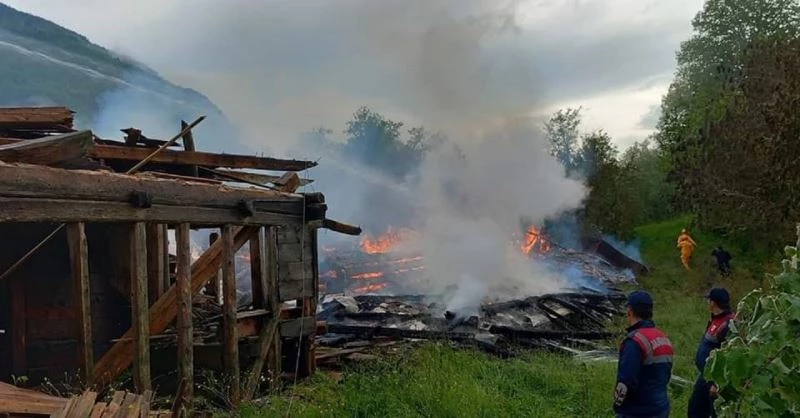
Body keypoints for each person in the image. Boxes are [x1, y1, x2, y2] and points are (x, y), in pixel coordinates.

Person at [614, 291, 674, 418]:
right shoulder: (663, 337)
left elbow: (626, 382)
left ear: (629, 311)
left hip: (638, 411)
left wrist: (618, 406)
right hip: (660, 408)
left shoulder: (634, 341)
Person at [688, 288, 735, 418]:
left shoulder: (728, 324)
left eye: (708, 300)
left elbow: (729, 356)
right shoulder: (716, 319)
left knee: (715, 412)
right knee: (696, 408)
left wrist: (717, 384)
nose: (707, 302)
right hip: (705, 375)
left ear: (713, 303)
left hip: (715, 379)